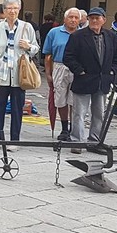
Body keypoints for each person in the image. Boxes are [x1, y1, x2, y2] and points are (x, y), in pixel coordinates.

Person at [64, 7, 117, 154]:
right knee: (79, 113)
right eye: (92, 18)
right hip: (84, 80)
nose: (95, 21)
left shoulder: (111, 36)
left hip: (102, 80)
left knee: (99, 113)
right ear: (88, 19)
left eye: (97, 18)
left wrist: (112, 70)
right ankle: (77, 142)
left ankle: (95, 142)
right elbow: (68, 57)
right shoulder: (78, 36)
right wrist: (79, 70)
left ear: (104, 20)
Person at [0, 0, 40, 147]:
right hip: (1, 74)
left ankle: (14, 140)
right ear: (4, 10)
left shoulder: (27, 27)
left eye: (15, 8)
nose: (12, 11)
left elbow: (36, 48)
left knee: (17, 109)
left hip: (19, 75)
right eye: (9, 8)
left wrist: (28, 46)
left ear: (19, 10)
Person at [43, 8, 80, 142]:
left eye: (76, 17)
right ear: (65, 19)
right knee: (60, 99)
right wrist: (48, 74)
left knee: (74, 100)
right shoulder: (54, 32)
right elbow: (48, 55)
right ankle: (64, 128)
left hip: (77, 68)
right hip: (59, 66)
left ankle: (74, 128)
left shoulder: (83, 33)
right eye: (71, 17)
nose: (73, 20)